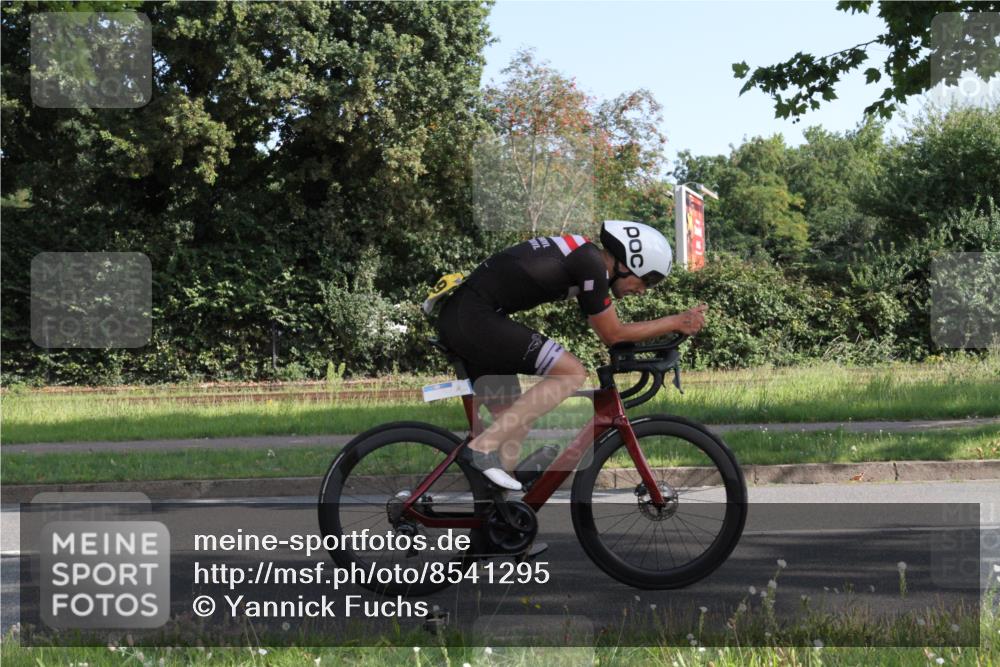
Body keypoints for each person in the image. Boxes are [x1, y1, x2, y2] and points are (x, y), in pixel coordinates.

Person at [436, 220, 707, 491]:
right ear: (626, 263)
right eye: (647, 280)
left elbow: (612, 331)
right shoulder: (590, 263)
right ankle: (481, 448)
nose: (643, 290)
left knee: (513, 419)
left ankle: (500, 516)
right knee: (571, 372)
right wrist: (676, 322)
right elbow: (612, 334)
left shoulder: (586, 260)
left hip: (469, 316)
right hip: (473, 318)